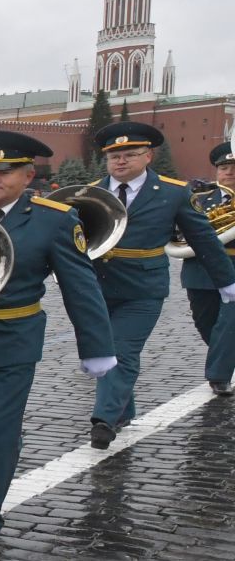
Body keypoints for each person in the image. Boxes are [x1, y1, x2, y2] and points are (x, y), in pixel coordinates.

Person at [0, 132, 115, 551]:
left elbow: (80, 286)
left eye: (4, 172)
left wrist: (97, 347)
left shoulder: (54, 219)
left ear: (28, 175)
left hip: (12, 339)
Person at [87, 122, 235, 447]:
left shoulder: (172, 192)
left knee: (122, 350)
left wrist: (227, 282)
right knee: (103, 348)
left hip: (142, 287)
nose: (120, 161)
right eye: (113, 156)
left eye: (129, 154)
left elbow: (204, 239)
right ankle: (124, 411)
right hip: (95, 288)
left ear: (148, 155)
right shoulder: (90, 193)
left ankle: (105, 419)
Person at [180, 141, 235, 395]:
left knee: (230, 322)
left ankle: (218, 376)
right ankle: (225, 358)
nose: (229, 172)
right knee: (207, 323)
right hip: (200, 269)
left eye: (234, 167)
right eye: (223, 167)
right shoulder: (199, 199)